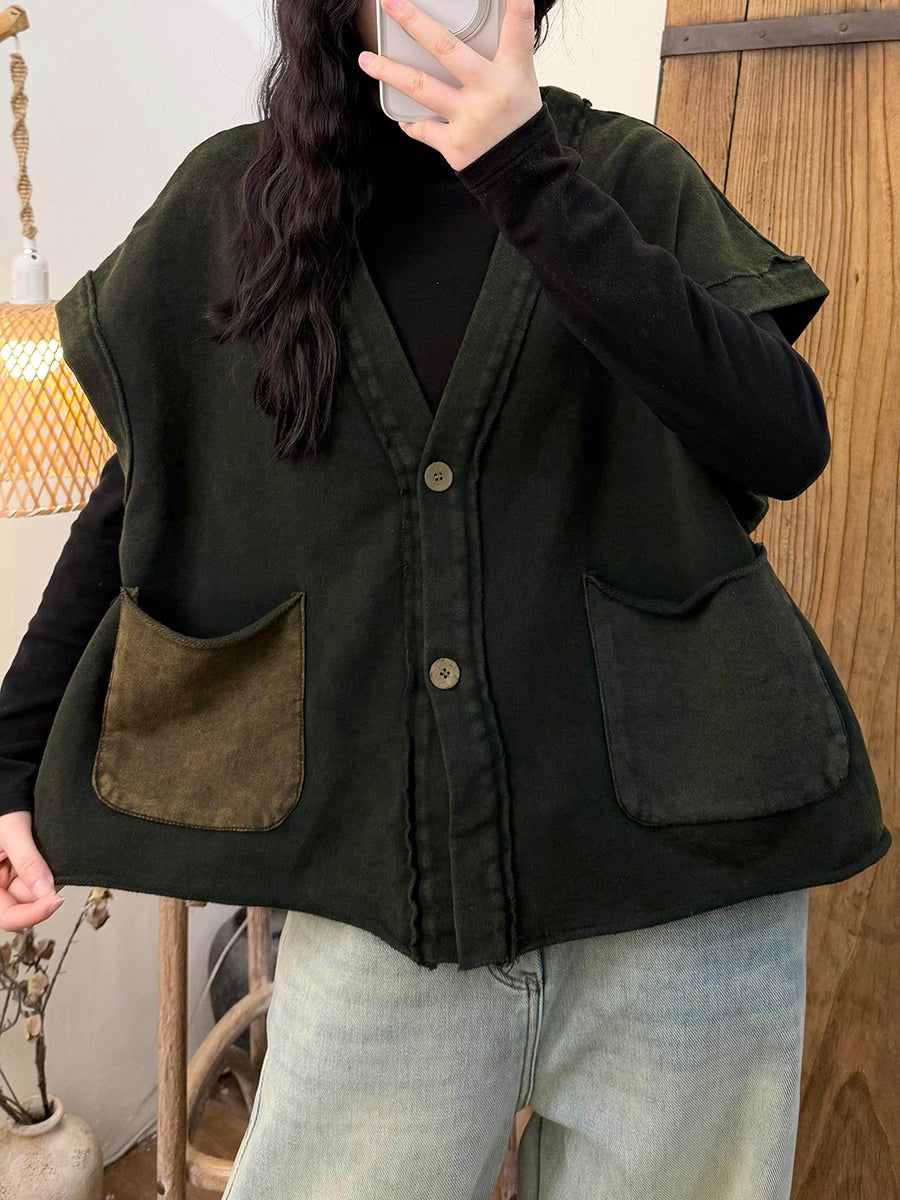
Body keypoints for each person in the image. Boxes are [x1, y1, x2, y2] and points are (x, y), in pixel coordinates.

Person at [0, 0, 887, 1196]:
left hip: (684, 902)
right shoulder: (233, 203)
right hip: (384, 902)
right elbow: (145, 492)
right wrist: (11, 756)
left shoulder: (626, 175)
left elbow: (783, 443)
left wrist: (530, 179)